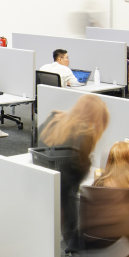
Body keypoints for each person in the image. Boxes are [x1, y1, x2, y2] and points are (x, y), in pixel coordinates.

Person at [37, 95, 111, 248]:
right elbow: (79, 172)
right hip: (64, 189)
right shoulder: (84, 133)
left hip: (41, 180)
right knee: (71, 231)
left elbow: (37, 147)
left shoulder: (54, 117)